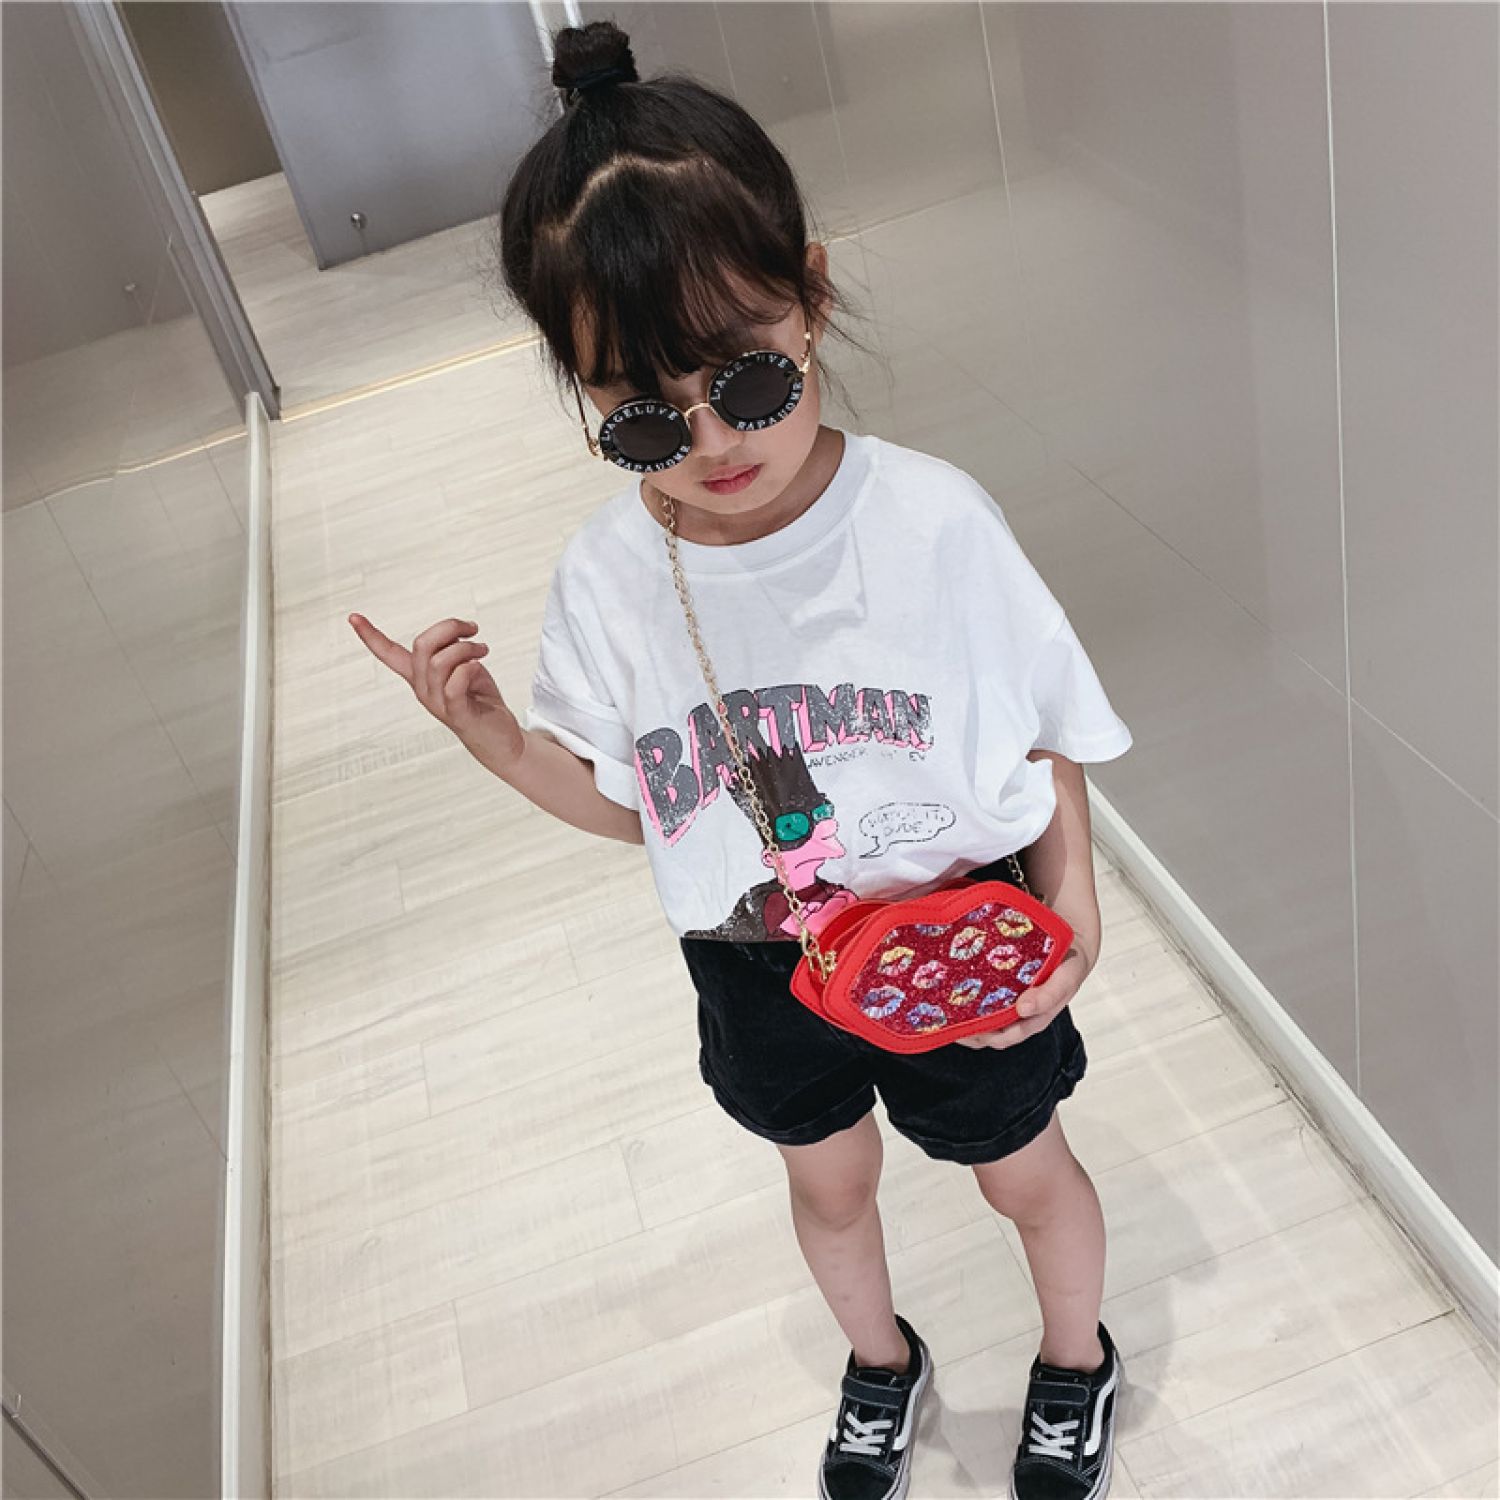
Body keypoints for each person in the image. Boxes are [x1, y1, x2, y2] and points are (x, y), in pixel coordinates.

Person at [350, 20, 1130, 1500]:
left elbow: (1044, 720)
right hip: (759, 962)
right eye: (644, 416)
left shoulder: (932, 522)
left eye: (750, 382)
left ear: (812, 298)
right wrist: (498, 741)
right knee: (827, 1189)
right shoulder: (610, 580)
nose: (711, 440)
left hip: (956, 926)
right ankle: (880, 1364)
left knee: (1024, 1173)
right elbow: (641, 809)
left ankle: (1077, 1358)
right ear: (586, 395)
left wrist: (1075, 900)